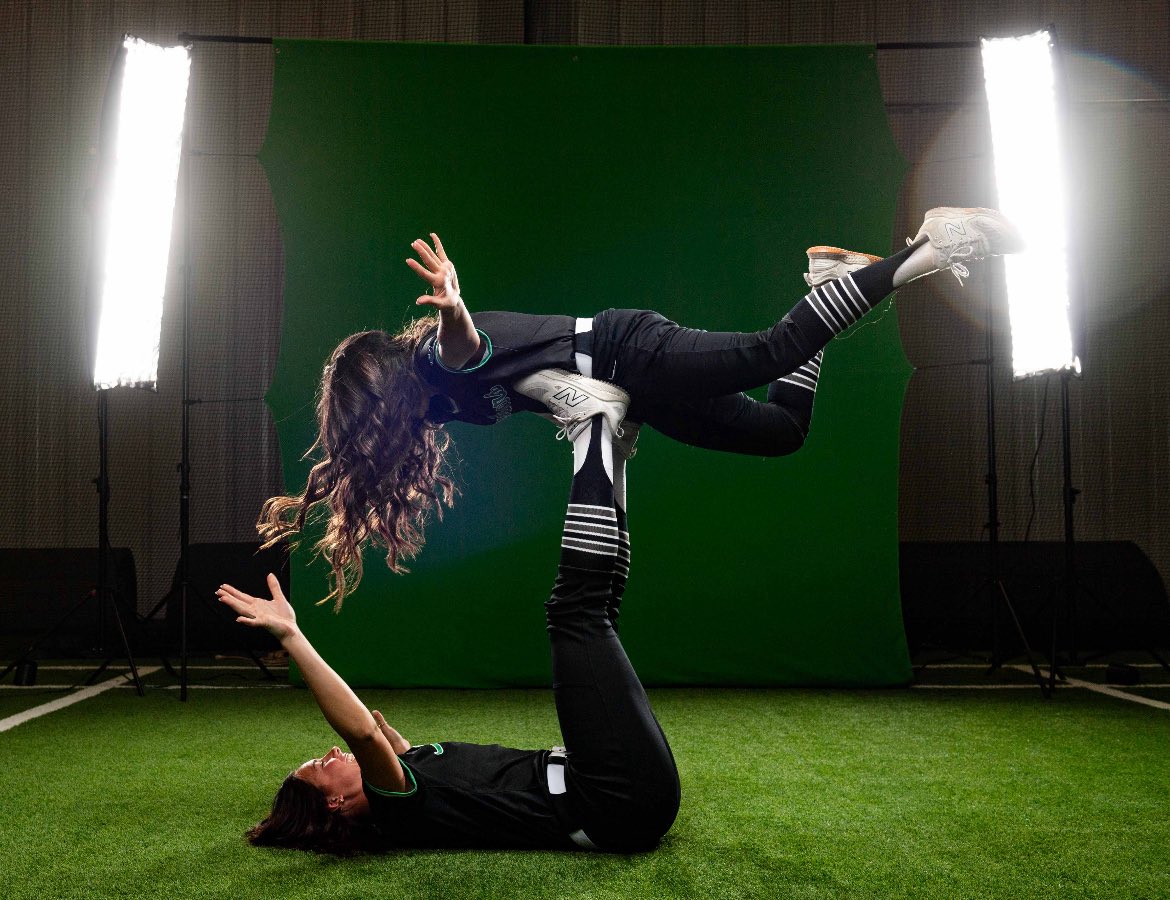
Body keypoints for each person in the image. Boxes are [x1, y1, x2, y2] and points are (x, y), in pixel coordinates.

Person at [257, 208, 1023, 606]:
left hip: (630, 350)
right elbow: (514, 386)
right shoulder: (438, 406)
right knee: (782, 432)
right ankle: (826, 282)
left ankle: (932, 245)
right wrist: (321, 487)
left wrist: (455, 302)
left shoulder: (435, 362)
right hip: (634, 391)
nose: (373, 442)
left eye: (366, 426)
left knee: (769, 351)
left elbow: (463, 345)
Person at [219, 408, 680, 854]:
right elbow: (362, 733)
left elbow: (383, 738)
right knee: (574, 615)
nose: (330, 753)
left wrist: (390, 741)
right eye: (321, 766)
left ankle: (612, 446)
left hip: (616, 788)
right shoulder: (394, 807)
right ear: (334, 802)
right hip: (613, 802)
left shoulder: (411, 774)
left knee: (595, 615)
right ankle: (593, 436)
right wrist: (292, 636)